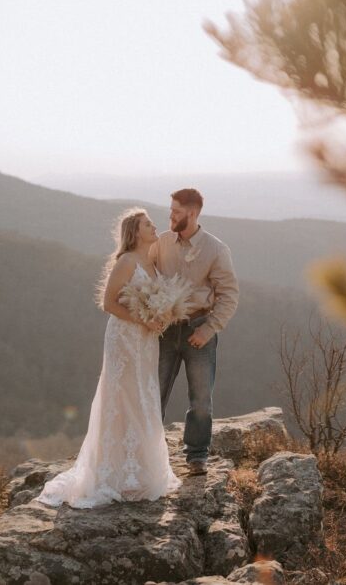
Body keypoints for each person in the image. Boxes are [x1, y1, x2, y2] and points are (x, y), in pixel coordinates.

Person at [37, 208, 182, 508]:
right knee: (123, 397)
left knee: (144, 395)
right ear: (134, 231)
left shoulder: (151, 262)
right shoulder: (127, 261)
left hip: (146, 341)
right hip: (124, 339)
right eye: (147, 224)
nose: (154, 227)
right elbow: (108, 303)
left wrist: (161, 315)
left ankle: (141, 470)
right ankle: (114, 473)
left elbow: (155, 298)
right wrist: (143, 319)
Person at [151, 188, 239, 475]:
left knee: (201, 399)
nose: (170, 216)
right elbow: (142, 273)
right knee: (153, 393)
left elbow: (229, 295)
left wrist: (209, 329)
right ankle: (150, 453)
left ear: (191, 213)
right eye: (171, 210)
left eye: (176, 211)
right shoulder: (162, 242)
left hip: (199, 330)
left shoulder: (216, 249)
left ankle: (197, 456)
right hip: (163, 330)